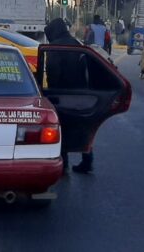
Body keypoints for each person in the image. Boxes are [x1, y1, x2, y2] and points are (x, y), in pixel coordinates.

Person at [43, 18, 93, 174]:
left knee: (61, 129)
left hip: (61, 95)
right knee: (83, 128)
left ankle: (63, 163)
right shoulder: (76, 44)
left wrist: (50, 92)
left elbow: (53, 72)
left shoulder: (55, 47)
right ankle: (87, 161)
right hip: (80, 94)